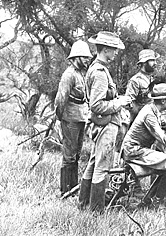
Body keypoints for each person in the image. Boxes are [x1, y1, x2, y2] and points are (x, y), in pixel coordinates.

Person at [78, 31, 132, 214]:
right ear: (106, 49)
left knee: (94, 163)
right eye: (114, 49)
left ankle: (83, 204)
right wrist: (120, 103)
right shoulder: (100, 72)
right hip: (106, 125)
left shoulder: (96, 68)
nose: (116, 53)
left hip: (102, 124)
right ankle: (96, 211)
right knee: (102, 167)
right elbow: (96, 105)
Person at [122, 83, 166, 210]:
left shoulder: (152, 109)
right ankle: (157, 202)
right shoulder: (149, 115)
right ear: (163, 101)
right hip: (135, 151)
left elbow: (163, 124)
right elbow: (164, 140)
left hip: (137, 149)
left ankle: (148, 200)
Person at [54, 40, 93, 197]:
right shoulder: (69, 75)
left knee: (76, 155)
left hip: (79, 119)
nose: (87, 60)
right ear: (76, 57)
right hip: (70, 120)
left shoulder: (80, 74)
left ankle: (73, 189)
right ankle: (65, 191)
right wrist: (59, 119)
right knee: (69, 157)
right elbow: (60, 100)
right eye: (84, 57)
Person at [125, 49, 160, 124]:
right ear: (144, 63)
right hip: (139, 123)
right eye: (152, 61)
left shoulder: (152, 79)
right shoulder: (135, 81)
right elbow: (129, 104)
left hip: (153, 120)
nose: (155, 63)